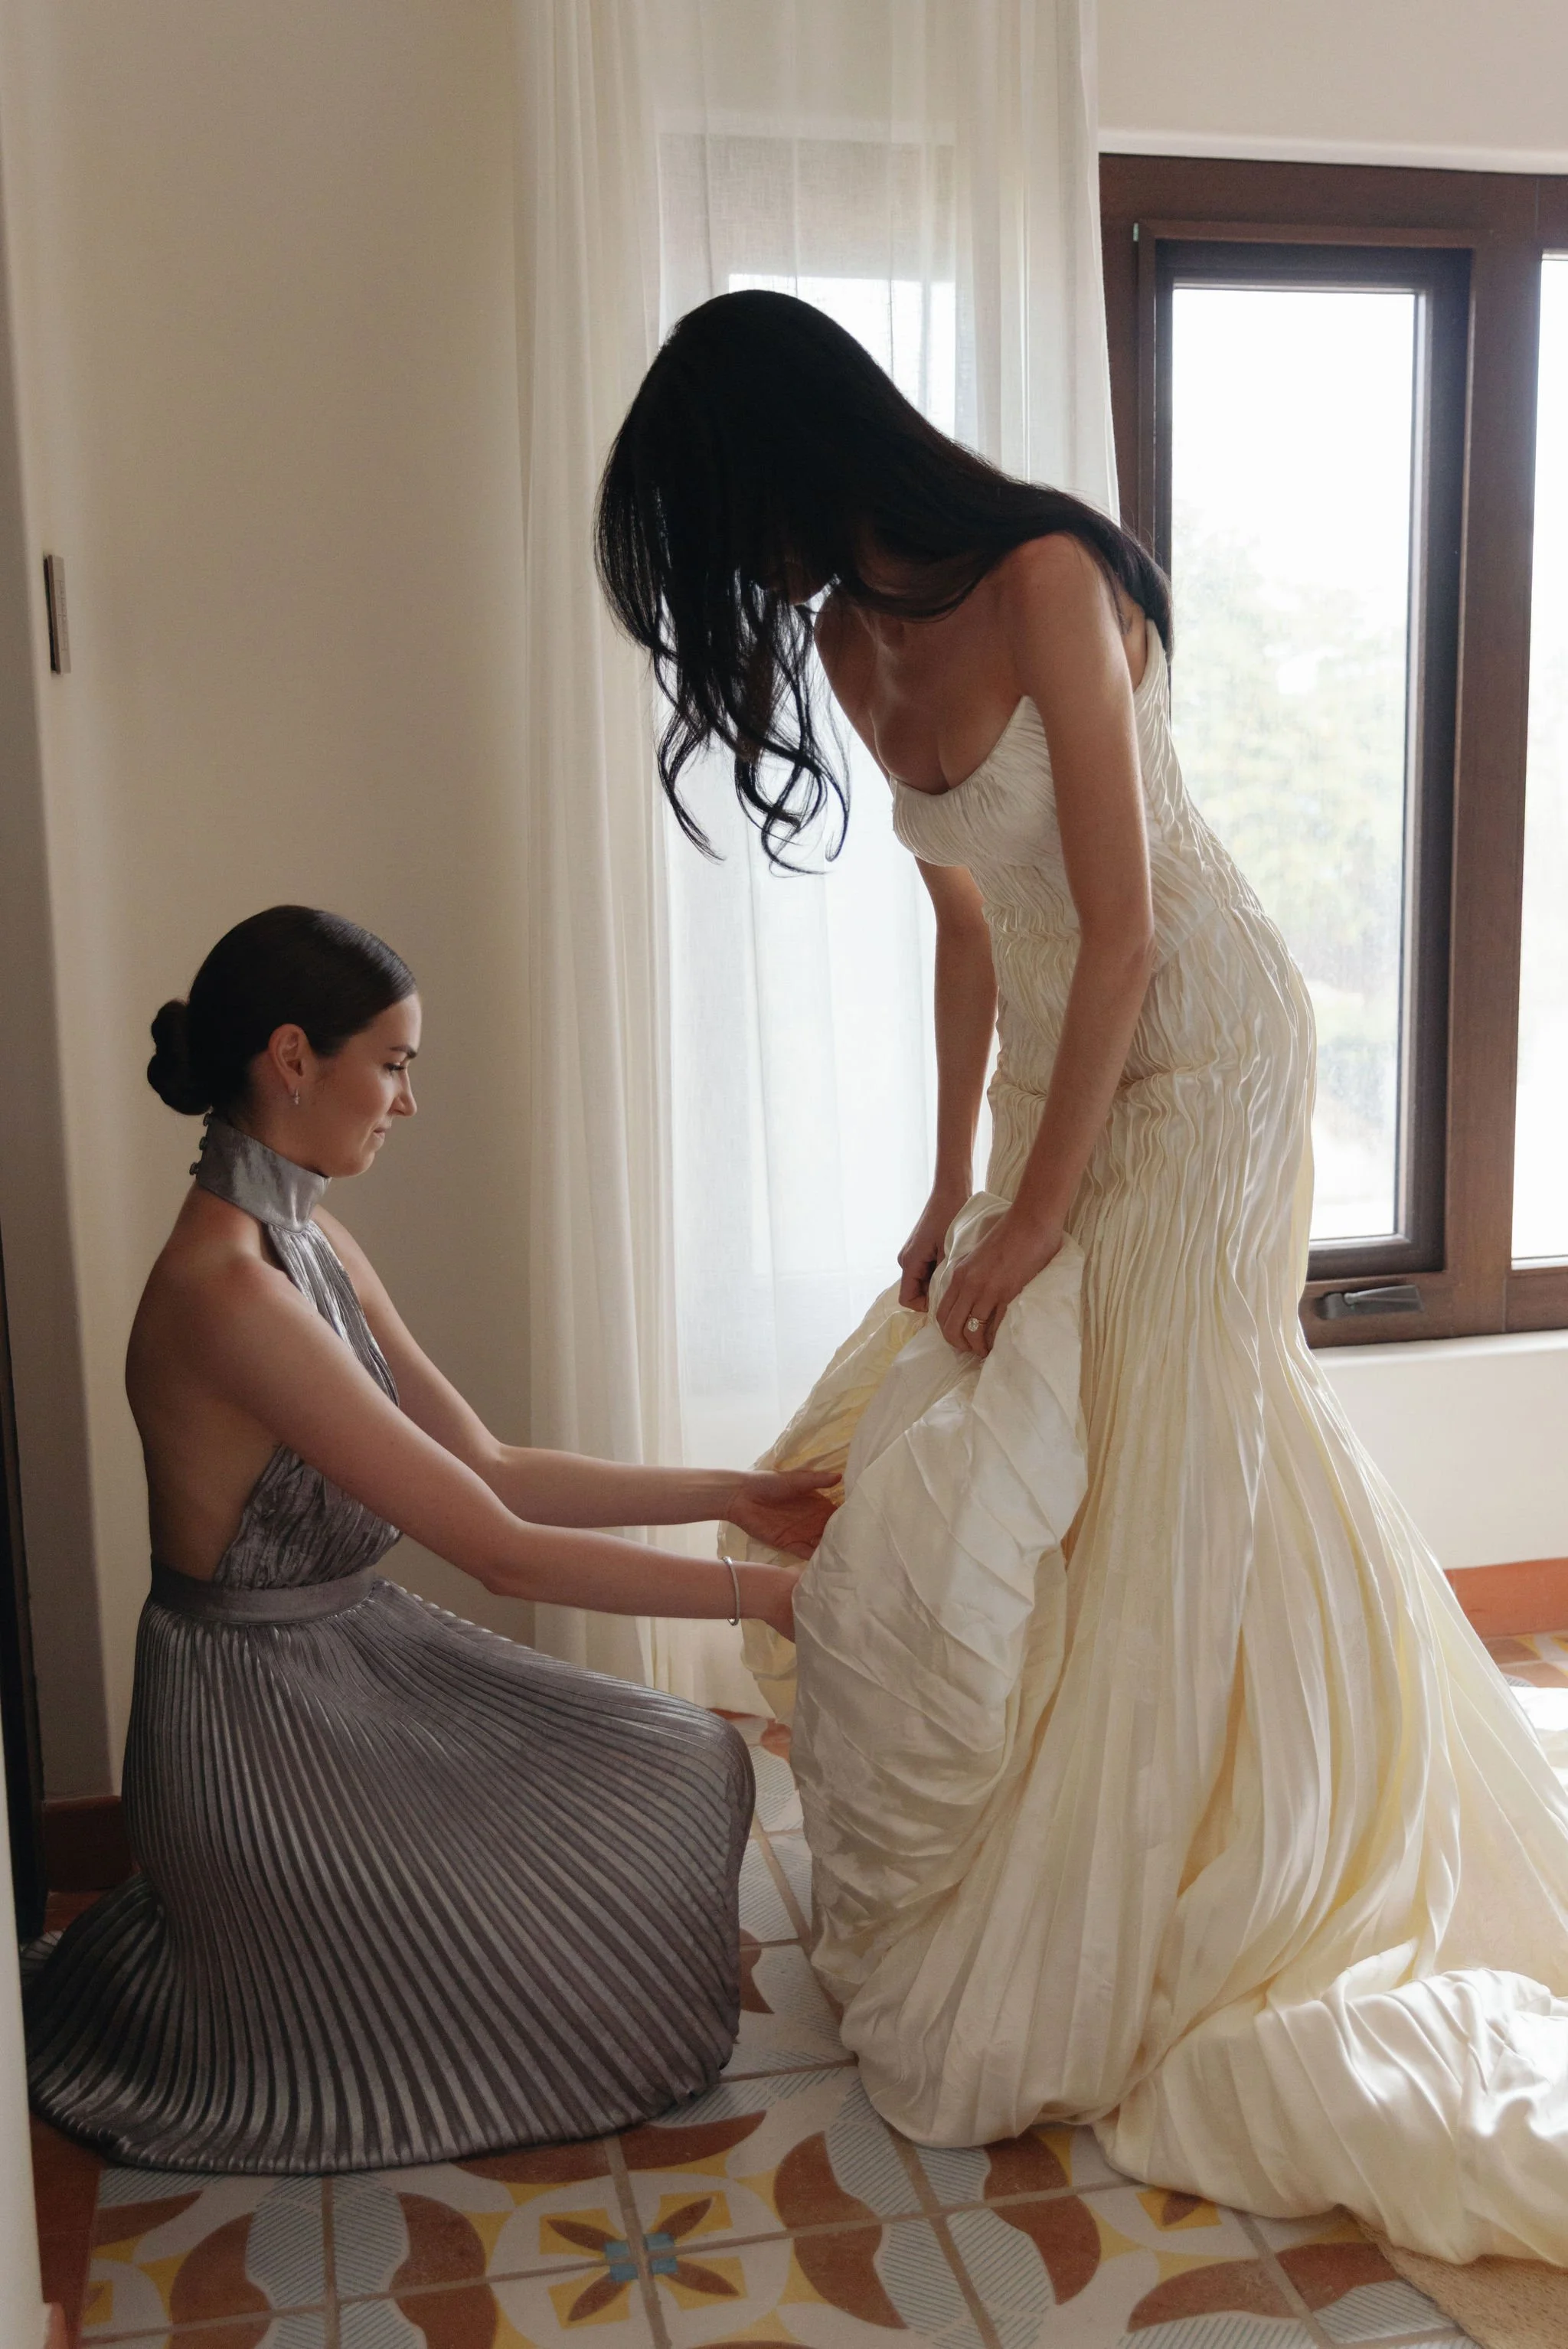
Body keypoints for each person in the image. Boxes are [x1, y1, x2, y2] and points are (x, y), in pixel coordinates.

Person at [596, 289, 1568, 2264]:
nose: (748, 584)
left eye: (728, 522)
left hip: (1199, 1053)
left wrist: (1036, 1218)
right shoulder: (849, 638)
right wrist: (955, 1178)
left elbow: (1119, 929)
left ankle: (1223, 1854)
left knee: (1176, 1435)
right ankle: (1096, 1824)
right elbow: (977, 924)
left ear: (795, 453)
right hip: (1056, 1065)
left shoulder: (1041, 573)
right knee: (1012, 1457)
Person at [26, 903, 828, 2174]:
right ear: (294, 1059)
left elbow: (492, 1465)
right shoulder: (229, 1290)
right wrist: (764, 1598)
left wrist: (736, 1490)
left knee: (684, 1763)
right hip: (257, 1731)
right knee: (599, 1866)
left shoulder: (311, 1238)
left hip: (355, 1662)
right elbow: (499, 1549)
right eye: (392, 1064)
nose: (407, 1101)